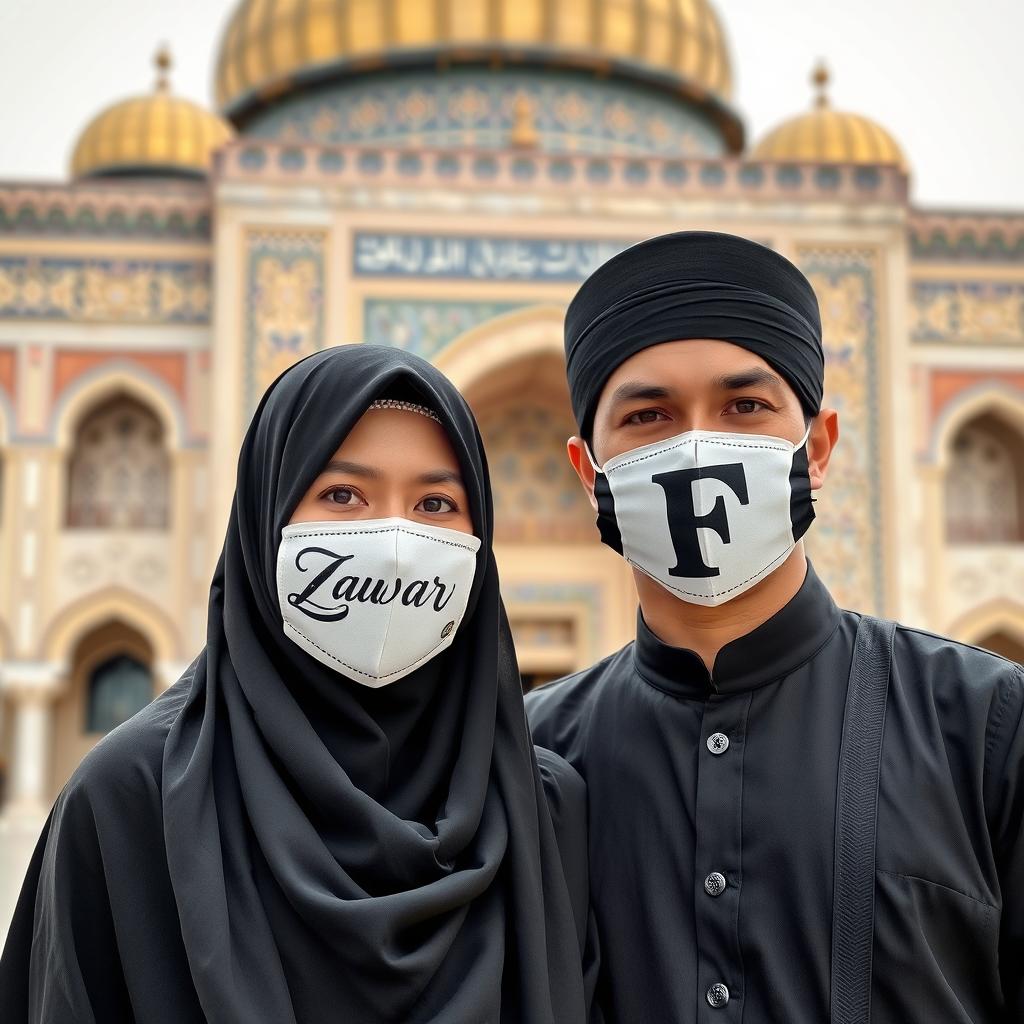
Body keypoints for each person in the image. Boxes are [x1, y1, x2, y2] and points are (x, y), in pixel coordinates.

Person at [0, 344, 597, 1023]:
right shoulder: (134, 801)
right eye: (342, 494)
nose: (395, 541)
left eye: (435, 502)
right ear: (266, 515)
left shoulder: (541, 809)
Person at [526, 230, 1024, 1023]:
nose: (696, 445)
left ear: (817, 448)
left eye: (744, 406)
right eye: (649, 415)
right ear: (592, 474)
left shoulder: (984, 728)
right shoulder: (527, 761)